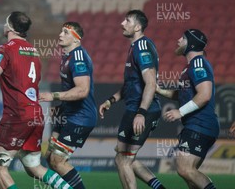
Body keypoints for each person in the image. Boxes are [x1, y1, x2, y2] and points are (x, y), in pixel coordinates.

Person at [0, 12, 73, 189]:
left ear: (10, 27)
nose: (3, 25)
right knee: (34, 167)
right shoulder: (34, 52)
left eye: (5, 22)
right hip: (35, 114)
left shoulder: (6, 49)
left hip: (17, 116)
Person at [98, 10, 164, 189]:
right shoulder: (135, 47)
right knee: (124, 156)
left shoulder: (142, 47)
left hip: (141, 110)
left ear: (137, 26)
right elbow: (131, 85)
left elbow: (151, 83)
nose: (122, 23)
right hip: (137, 108)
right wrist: (111, 100)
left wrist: (141, 113)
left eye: (127, 20)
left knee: (123, 159)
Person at [156, 29, 219, 189]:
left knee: (184, 169)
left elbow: (204, 95)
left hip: (200, 125)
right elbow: (183, 94)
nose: (178, 40)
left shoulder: (198, 63)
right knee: (191, 177)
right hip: (196, 125)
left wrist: (180, 111)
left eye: (182, 38)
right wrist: (160, 90)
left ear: (190, 43)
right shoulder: (189, 67)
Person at [39, 22, 96, 189]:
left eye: (65, 32)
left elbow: (82, 90)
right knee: (49, 157)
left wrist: (53, 96)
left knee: (58, 160)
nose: (60, 34)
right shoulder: (66, 56)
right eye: (61, 31)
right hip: (68, 113)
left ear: (76, 39)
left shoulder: (78, 57)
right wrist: (61, 107)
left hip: (81, 117)